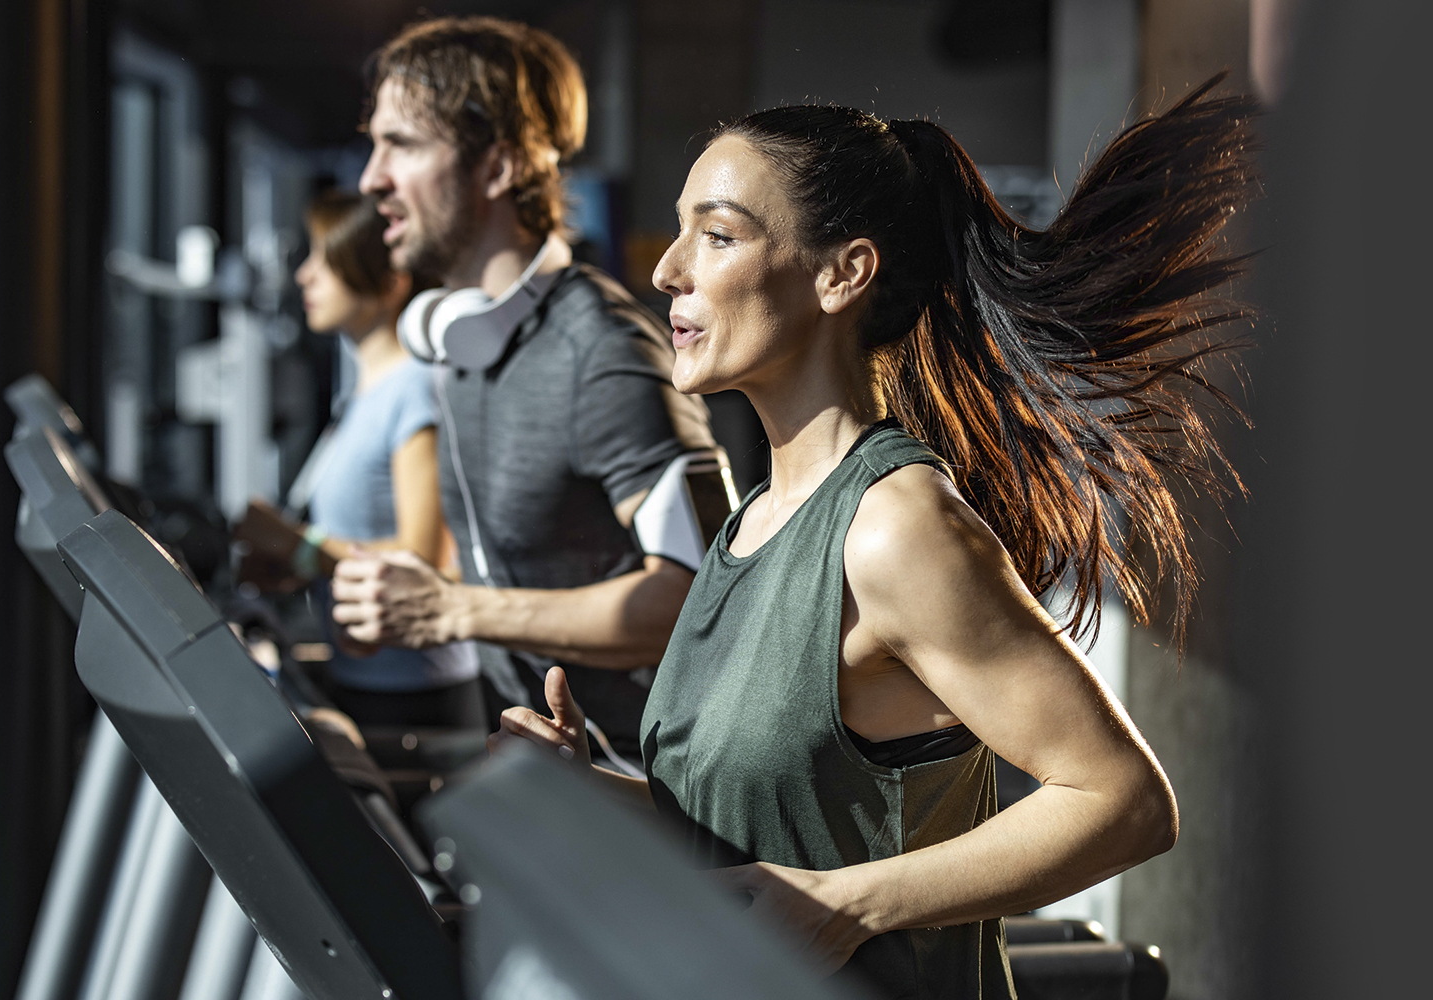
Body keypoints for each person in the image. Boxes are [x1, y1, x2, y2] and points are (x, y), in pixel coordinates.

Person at [490, 77, 1258, 999]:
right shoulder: (755, 518)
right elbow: (759, 836)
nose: (669, 270)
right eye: (681, 229)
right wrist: (594, 786)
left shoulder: (895, 528)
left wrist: (853, 904)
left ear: (842, 274)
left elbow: (1123, 803)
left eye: (720, 234)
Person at [330, 17, 730, 764]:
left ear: (499, 166)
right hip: (556, 786)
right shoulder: (462, 347)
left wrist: (454, 610)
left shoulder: (600, 350)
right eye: (375, 142)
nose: (370, 177)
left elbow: (699, 600)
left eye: (403, 145)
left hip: (658, 807)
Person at [234, 189, 482, 729]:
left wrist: (302, 549)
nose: (306, 276)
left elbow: (426, 557)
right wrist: (295, 567)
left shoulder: (416, 390)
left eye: (327, 258)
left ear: (390, 280)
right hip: (367, 680)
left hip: (415, 699)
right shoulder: (362, 395)